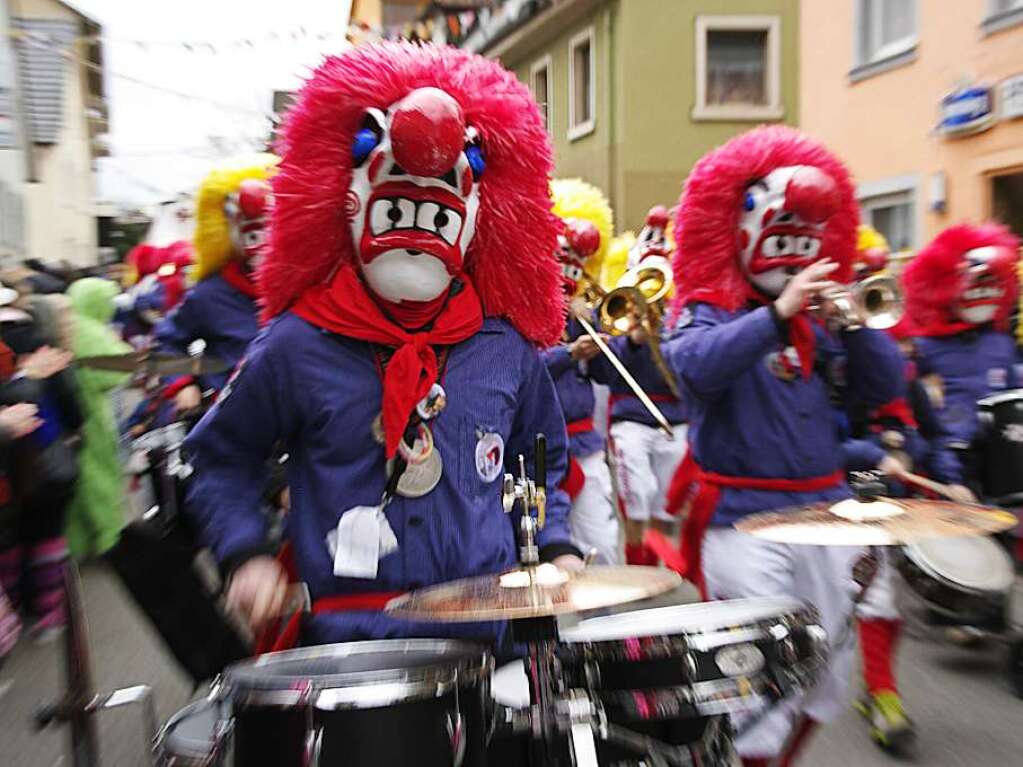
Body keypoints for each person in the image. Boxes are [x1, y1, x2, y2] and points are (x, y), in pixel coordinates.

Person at [183, 42, 579, 648]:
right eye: (397, 207)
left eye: (439, 216)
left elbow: (540, 456)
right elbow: (221, 455)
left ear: (473, 221)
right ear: (350, 205)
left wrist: (557, 545)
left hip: (491, 631)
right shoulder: (297, 343)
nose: (418, 233)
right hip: (354, 644)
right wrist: (245, 553)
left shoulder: (506, 347)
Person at [664, 126, 904, 766]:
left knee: (825, 678)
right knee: (754, 683)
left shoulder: (824, 322)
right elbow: (692, 367)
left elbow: (884, 384)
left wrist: (849, 323)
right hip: (744, 521)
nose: (797, 255)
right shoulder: (708, 308)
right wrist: (774, 315)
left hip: (825, 518)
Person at [587, 204, 687, 566]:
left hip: (675, 417)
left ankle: (658, 555)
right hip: (631, 418)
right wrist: (632, 342)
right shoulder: (620, 308)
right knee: (637, 490)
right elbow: (606, 372)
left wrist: (665, 338)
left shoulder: (680, 312)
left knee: (668, 499)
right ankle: (637, 558)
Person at [899, 223, 1021, 487]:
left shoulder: (1000, 342)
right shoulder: (924, 347)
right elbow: (915, 412)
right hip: (947, 459)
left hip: (1000, 456)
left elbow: (1013, 398)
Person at [154, 155, 277, 412]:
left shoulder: (309, 287)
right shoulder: (210, 294)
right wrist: (182, 383)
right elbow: (168, 339)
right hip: (233, 421)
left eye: (271, 231)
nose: (262, 245)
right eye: (253, 233)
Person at [544, 178, 620, 564]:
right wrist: (569, 354)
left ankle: (606, 623)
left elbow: (610, 376)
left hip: (584, 445)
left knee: (601, 548)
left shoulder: (583, 310)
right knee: (545, 557)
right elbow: (524, 372)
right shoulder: (521, 309)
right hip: (538, 450)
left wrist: (607, 336)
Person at [0, 284, 81, 639]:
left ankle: (15, 612)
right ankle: (48, 612)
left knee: (12, 539)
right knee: (47, 535)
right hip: (47, 458)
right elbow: (72, 408)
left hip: (12, 468)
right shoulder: (44, 347)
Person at [65, 278, 133, 559]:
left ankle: (75, 543)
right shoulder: (90, 331)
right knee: (101, 477)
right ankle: (109, 539)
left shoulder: (69, 324)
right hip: (92, 415)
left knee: (78, 488)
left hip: (69, 414)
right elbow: (120, 368)